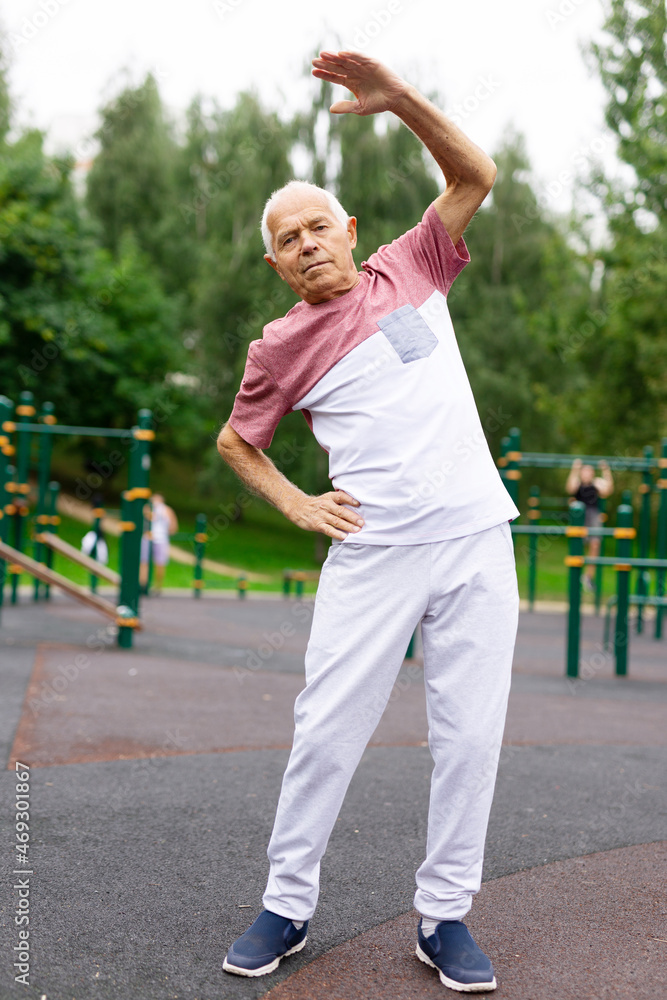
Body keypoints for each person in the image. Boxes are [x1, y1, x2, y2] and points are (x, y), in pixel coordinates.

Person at [217, 51, 519, 993]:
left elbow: (476, 176)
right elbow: (236, 442)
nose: (306, 243)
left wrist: (399, 104)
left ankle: (444, 917)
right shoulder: (278, 346)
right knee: (326, 731)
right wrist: (298, 504)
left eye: (318, 225)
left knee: (469, 736)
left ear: (349, 231)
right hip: (373, 550)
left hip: (474, 536)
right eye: (286, 238)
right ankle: (286, 903)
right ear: (274, 262)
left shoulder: (412, 266)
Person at [566, 458, 614, 592]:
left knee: (595, 544)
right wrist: (575, 469)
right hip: (579, 515)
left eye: (589, 471)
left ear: (592, 473)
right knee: (577, 544)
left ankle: (588, 576)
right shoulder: (578, 484)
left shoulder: (596, 484)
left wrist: (606, 470)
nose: (586, 474)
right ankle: (576, 576)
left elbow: (608, 490)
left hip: (593, 515)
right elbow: (570, 488)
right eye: (584, 471)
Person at [139, 493, 178, 593]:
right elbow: (173, 528)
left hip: (150, 537)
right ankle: (155, 586)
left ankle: (144, 585)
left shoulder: (148, 508)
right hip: (159, 538)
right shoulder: (167, 510)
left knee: (145, 562)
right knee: (157, 563)